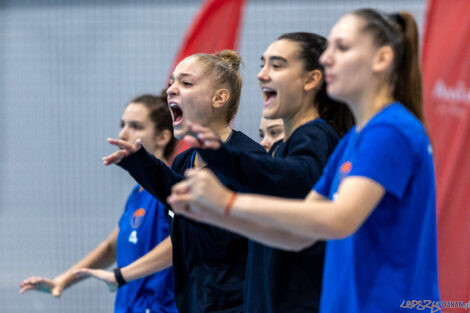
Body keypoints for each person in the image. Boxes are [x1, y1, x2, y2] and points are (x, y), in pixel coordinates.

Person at [168, 9, 440, 313]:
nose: (327, 59)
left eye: (343, 48)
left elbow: (338, 218)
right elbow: (296, 233)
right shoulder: (352, 141)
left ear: (382, 59)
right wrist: (215, 213)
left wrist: (229, 202)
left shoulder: (389, 131)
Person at [170, 32, 354, 313]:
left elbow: (294, 179)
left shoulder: (314, 136)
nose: (261, 75)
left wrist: (222, 170)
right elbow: (280, 231)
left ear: (310, 79)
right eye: (262, 64)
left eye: (277, 65)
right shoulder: (282, 147)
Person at [97, 50, 266, 313]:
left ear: (219, 97)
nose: (171, 90)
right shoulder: (182, 163)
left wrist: (122, 275)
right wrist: (141, 164)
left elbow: (223, 239)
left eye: (186, 83)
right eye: (172, 83)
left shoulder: (251, 160)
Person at [20, 94, 178, 313]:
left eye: (136, 126)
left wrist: (120, 275)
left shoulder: (174, 190)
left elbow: (181, 242)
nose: (123, 133)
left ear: (162, 137)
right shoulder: (137, 193)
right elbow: (111, 247)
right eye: (122, 125)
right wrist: (63, 280)